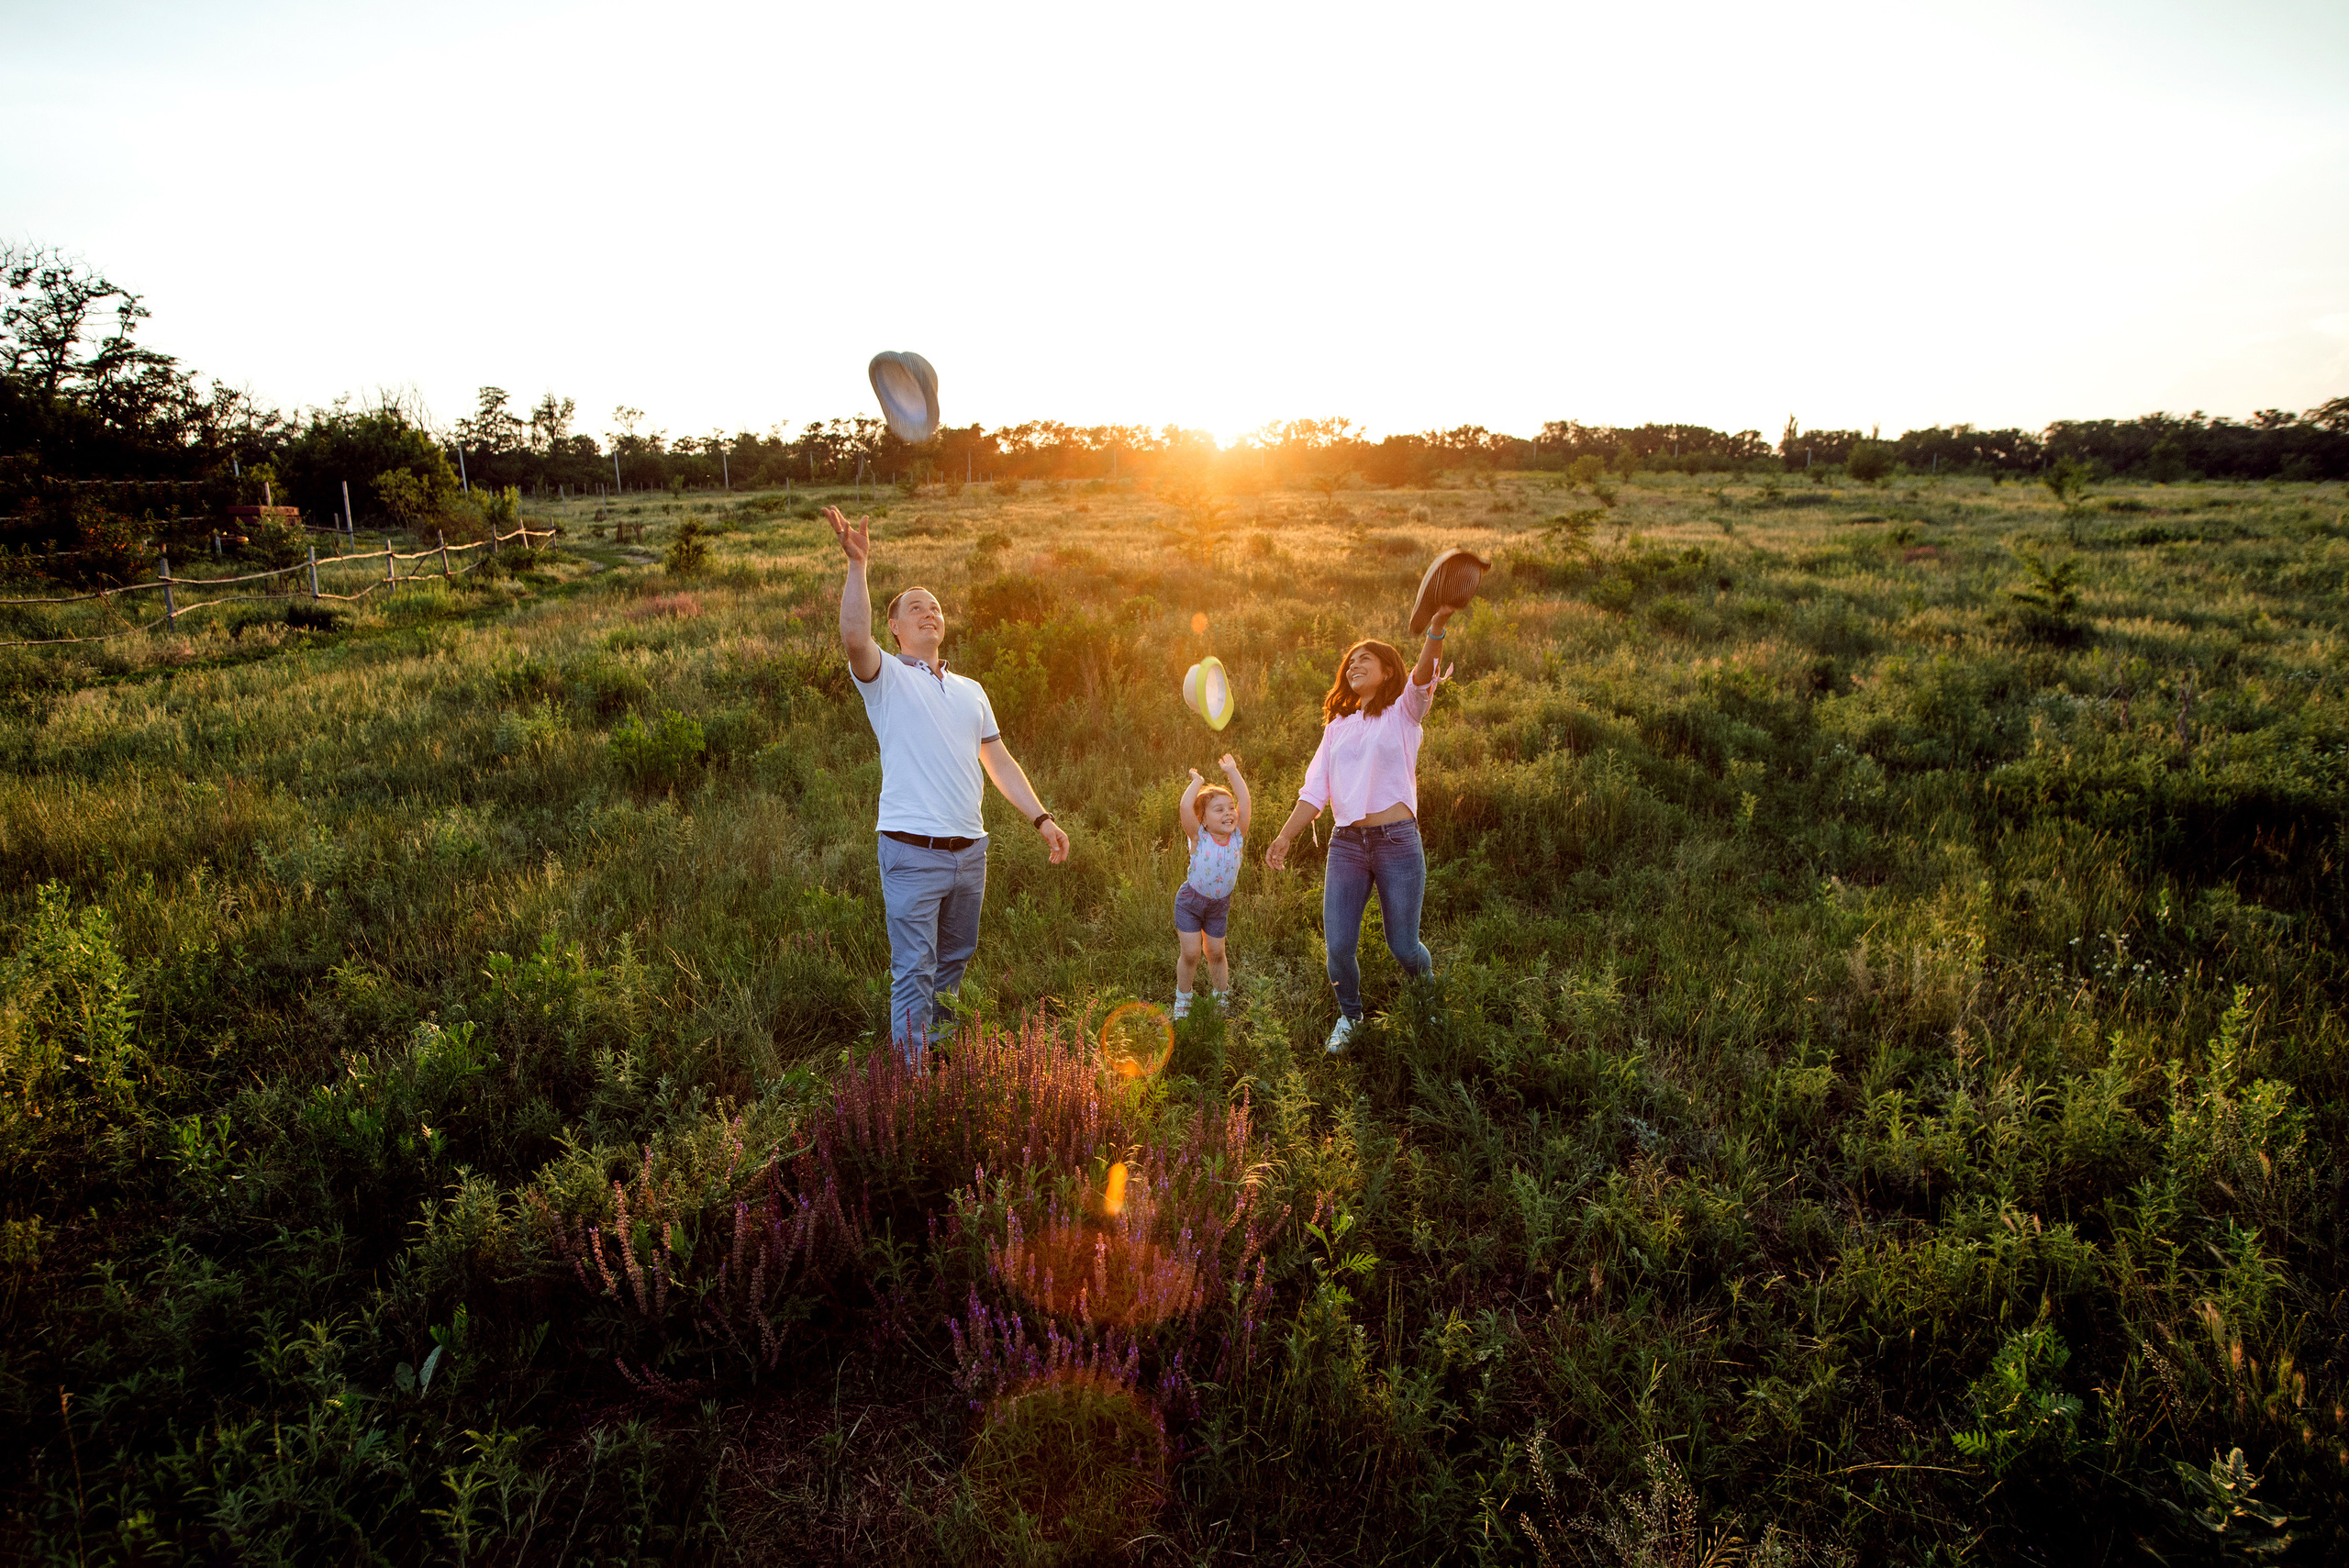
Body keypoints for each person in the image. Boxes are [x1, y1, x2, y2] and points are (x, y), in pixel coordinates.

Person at [828, 506, 1070, 1062]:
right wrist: (858, 567)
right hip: (911, 851)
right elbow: (852, 636)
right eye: (915, 607)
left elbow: (1001, 763)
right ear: (896, 627)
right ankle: (910, 1090)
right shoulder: (884, 676)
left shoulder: (971, 690)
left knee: (954, 963)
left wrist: (1042, 818)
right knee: (915, 968)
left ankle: (937, 1058)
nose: (929, 612)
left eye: (935, 607)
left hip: (971, 853)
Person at [1263, 606, 1456, 1052]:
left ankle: (1427, 1002)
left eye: (1364, 659)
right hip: (1346, 844)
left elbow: (1424, 672)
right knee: (1338, 948)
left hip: (1397, 843)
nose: (1353, 665)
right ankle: (1350, 1017)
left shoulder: (1405, 713)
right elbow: (1314, 792)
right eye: (1349, 662)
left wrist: (1437, 628)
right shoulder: (1336, 729)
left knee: (1404, 947)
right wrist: (1285, 836)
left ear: (1388, 670)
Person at [1173, 753, 1252, 1018]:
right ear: (1204, 820)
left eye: (1230, 808)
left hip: (1219, 906)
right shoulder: (1199, 838)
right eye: (1219, 810)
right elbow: (1185, 809)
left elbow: (1246, 801)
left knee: (1217, 953)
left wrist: (1232, 772)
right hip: (1191, 903)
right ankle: (1183, 998)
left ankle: (1221, 997)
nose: (1229, 813)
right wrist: (1198, 782)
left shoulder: (1237, 836)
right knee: (1192, 953)